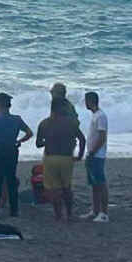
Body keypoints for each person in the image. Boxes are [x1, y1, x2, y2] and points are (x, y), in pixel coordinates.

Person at [0, 93, 32, 218]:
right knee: (11, 180)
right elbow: (29, 133)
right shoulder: (17, 119)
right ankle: (14, 210)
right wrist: (19, 141)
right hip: (12, 150)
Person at [35, 98, 85, 222]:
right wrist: (79, 155)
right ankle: (69, 214)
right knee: (67, 187)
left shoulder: (44, 123)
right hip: (66, 158)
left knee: (53, 189)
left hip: (50, 158)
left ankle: (58, 215)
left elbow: (38, 144)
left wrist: (48, 140)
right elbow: (82, 139)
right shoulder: (71, 123)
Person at [82, 91, 109, 222]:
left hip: (97, 155)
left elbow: (102, 137)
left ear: (90, 101)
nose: (85, 103)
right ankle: (95, 210)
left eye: (86, 100)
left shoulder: (101, 116)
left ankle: (104, 213)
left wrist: (93, 151)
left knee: (100, 183)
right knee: (94, 184)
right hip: (93, 153)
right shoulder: (95, 116)